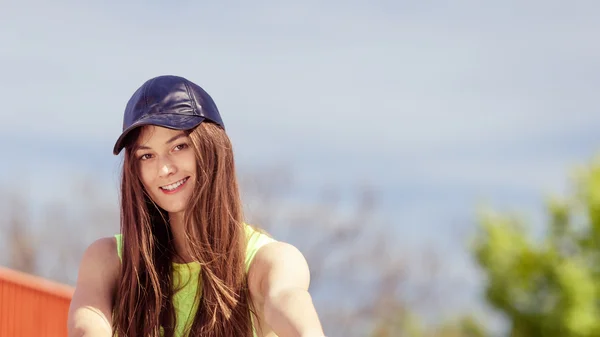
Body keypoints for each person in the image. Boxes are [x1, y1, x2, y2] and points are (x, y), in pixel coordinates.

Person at [67, 75, 326, 337]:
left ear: (213, 149)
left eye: (179, 146)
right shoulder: (110, 260)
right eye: (147, 155)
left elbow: (287, 301)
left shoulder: (268, 261)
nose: (165, 169)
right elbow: (87, 325)